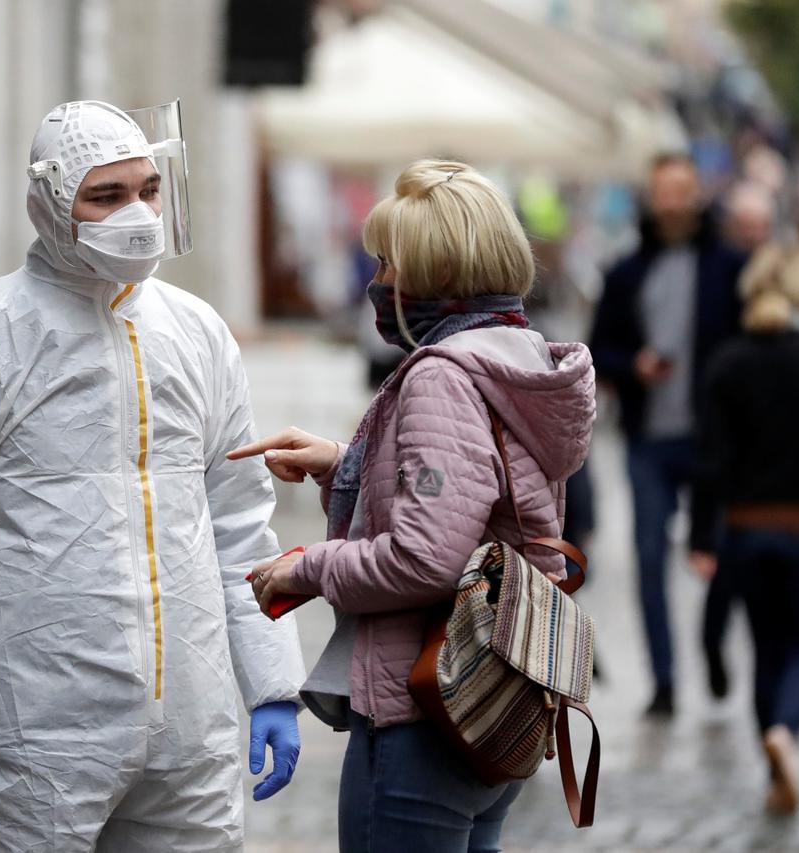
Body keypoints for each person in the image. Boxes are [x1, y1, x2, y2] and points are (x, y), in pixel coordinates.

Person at [0, 100, 305, 852]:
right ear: (48, 203)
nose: (138, 213)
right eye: (106, 196)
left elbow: (241, 520)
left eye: (147, 189)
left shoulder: (197, 332)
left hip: (188, 729)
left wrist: (272, 683)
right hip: (31, 733)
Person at [233, 160, 595, 853]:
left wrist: (305, 567)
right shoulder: (516, 354)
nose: (378, 280)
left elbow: (426, 556)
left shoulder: (441, 375)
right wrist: (346, 462)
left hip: (425, 702)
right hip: (497, 695)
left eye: (389, 261)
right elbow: (474, 492)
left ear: (434, 272)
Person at [689, 244, 799, 814]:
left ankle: (773, 764)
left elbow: (711, 464)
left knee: (766, 648)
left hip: (746, 531)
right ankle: (786, 734)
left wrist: (703, 538)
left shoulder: (728, 363)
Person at [590, 152, 746, 715]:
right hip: (649, 439)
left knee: (725, 551)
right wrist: (635, 364)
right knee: (649, 556)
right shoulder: (627, 272)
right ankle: (664, 681)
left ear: (697, 196)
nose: (674, 202)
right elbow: (596, 348)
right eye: (665, 191)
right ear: (652, 198)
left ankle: (712, 644)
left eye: (683, 190)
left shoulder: (730, 269)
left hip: (714, 439)